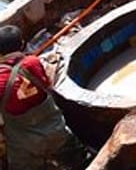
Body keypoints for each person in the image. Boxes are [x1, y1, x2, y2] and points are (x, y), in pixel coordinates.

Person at [1, 26, 91, 169]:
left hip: (24, 145)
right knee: (81, 160)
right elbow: (45, 84)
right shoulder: (33, 62)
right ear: (23, 44)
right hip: (55, 130)